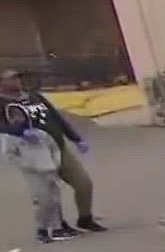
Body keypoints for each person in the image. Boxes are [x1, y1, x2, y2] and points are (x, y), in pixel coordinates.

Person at [0, 70, 104, 232]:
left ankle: (85, 218)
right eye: (12, 79)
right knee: (49, 190)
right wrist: (20, 132)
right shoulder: (3, 103)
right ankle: (58, 225)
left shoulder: (35, 97)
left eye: (18, 78)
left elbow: (56, 118)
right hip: (35, 152)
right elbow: (3, 127)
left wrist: (76, 139)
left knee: (83, 183)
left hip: (58, 146)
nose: (17, 81)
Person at [2, 104, 76, 243]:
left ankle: (57, 228)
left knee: (55, 200)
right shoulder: (11, 138)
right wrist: (29, 165)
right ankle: (41, 229)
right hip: (33, 174)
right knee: (43, 201)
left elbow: (54, 148)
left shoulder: (41, 134)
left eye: (19, 115)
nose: (17, 119)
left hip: (50, 170)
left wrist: (56, 163)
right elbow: (11, 156)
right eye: (13, 117)